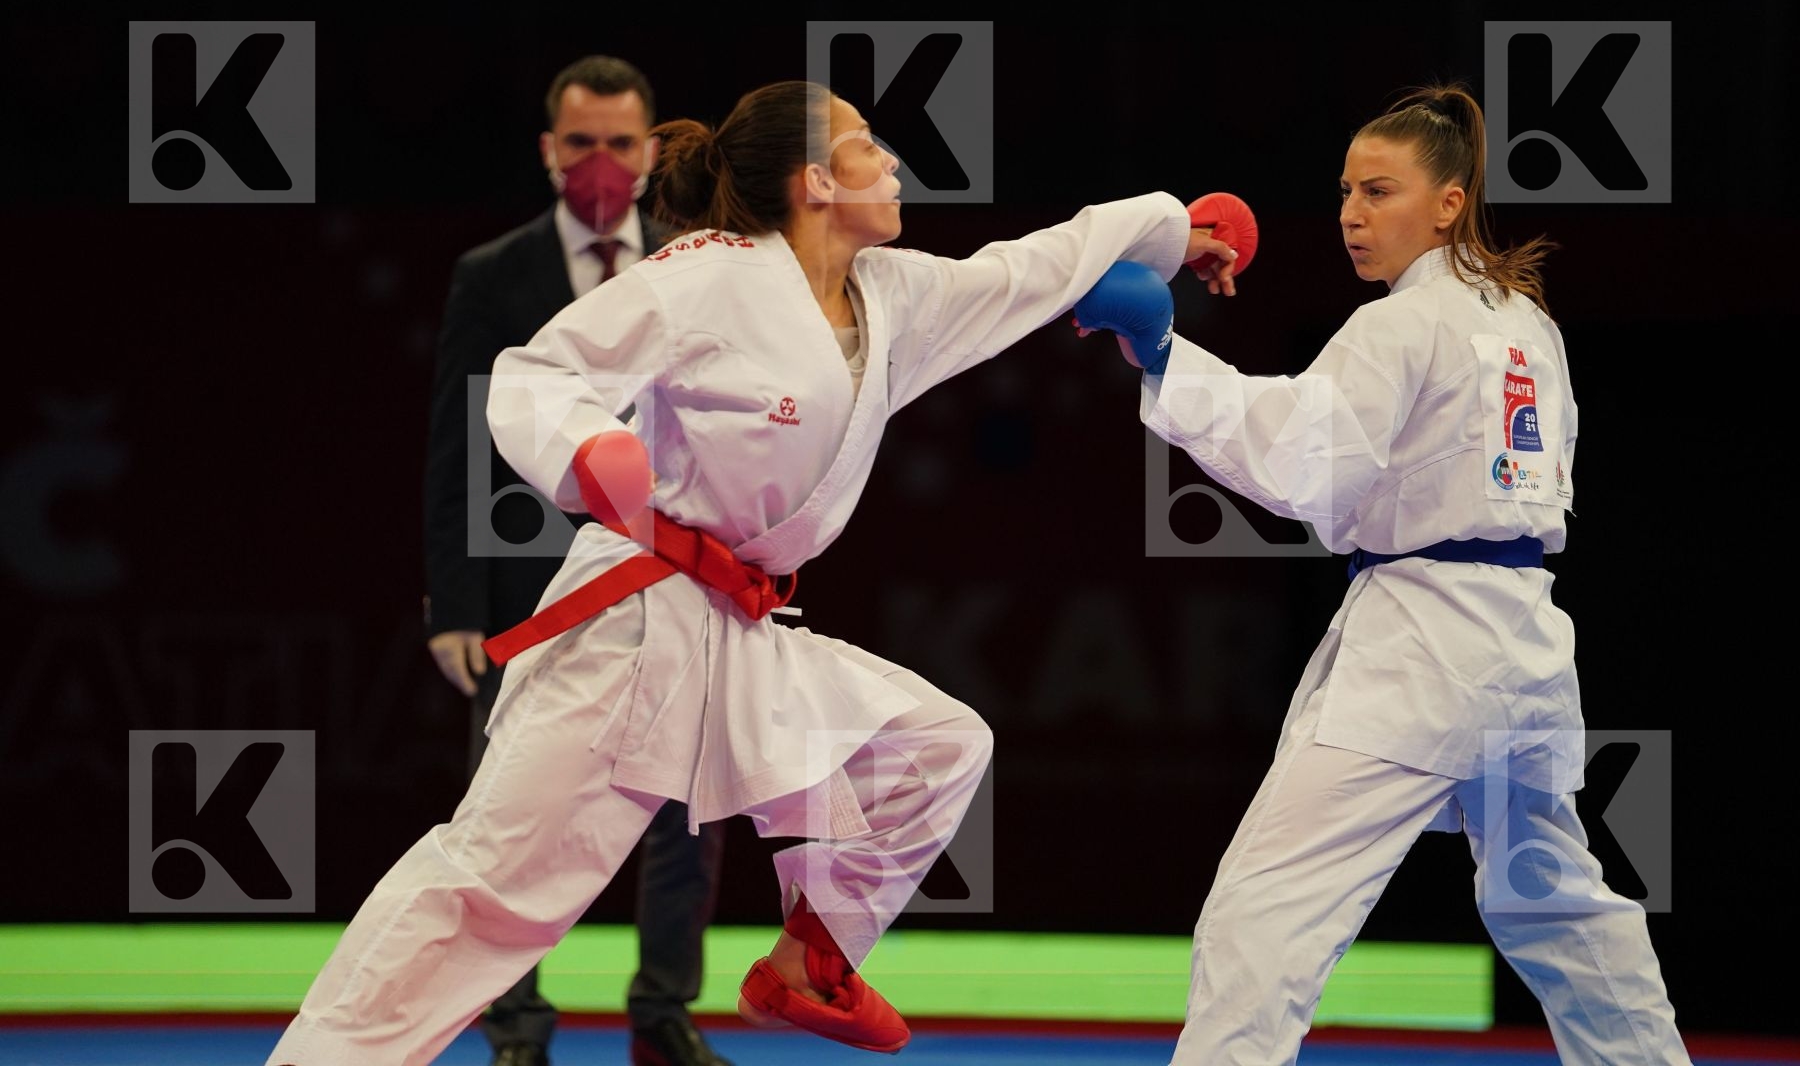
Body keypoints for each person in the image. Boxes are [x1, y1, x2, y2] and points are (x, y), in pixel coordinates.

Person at [269, 78, 1235, 1065]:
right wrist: (585, 454)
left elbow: (1038, 265)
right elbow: (535, 375)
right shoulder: (712, 275)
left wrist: (1172, 229)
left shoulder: (897, 297)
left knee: (938, 749)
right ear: (815, 179)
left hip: (742, 630)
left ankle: (809, 964)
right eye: (867, 146)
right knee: (494, 892)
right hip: (632, 621)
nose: (892, 164)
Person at [1072, 84, 1691, 1065]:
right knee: (1557, 907)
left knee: (1265, 910)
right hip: (1525, 646)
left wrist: (1159, 351)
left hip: (1425, 647)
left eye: (1381, 191)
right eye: (1347, 192)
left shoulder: (1401, 326)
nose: (1354, 215)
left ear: (1449, 201)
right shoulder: (1526, 324)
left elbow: (1302, 463)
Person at [421, 55, 730, 1066]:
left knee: (687, 810)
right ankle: (515, 1024)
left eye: (620, 144)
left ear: (650, 155)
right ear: (550, 149)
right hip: (530, 586)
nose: (601, 162)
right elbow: (460, 441)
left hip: (676, 580)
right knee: (513, 816)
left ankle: (663, 1015)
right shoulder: (494, 274)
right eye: (582, 142)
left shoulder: (697, 271)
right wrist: (454, 604)